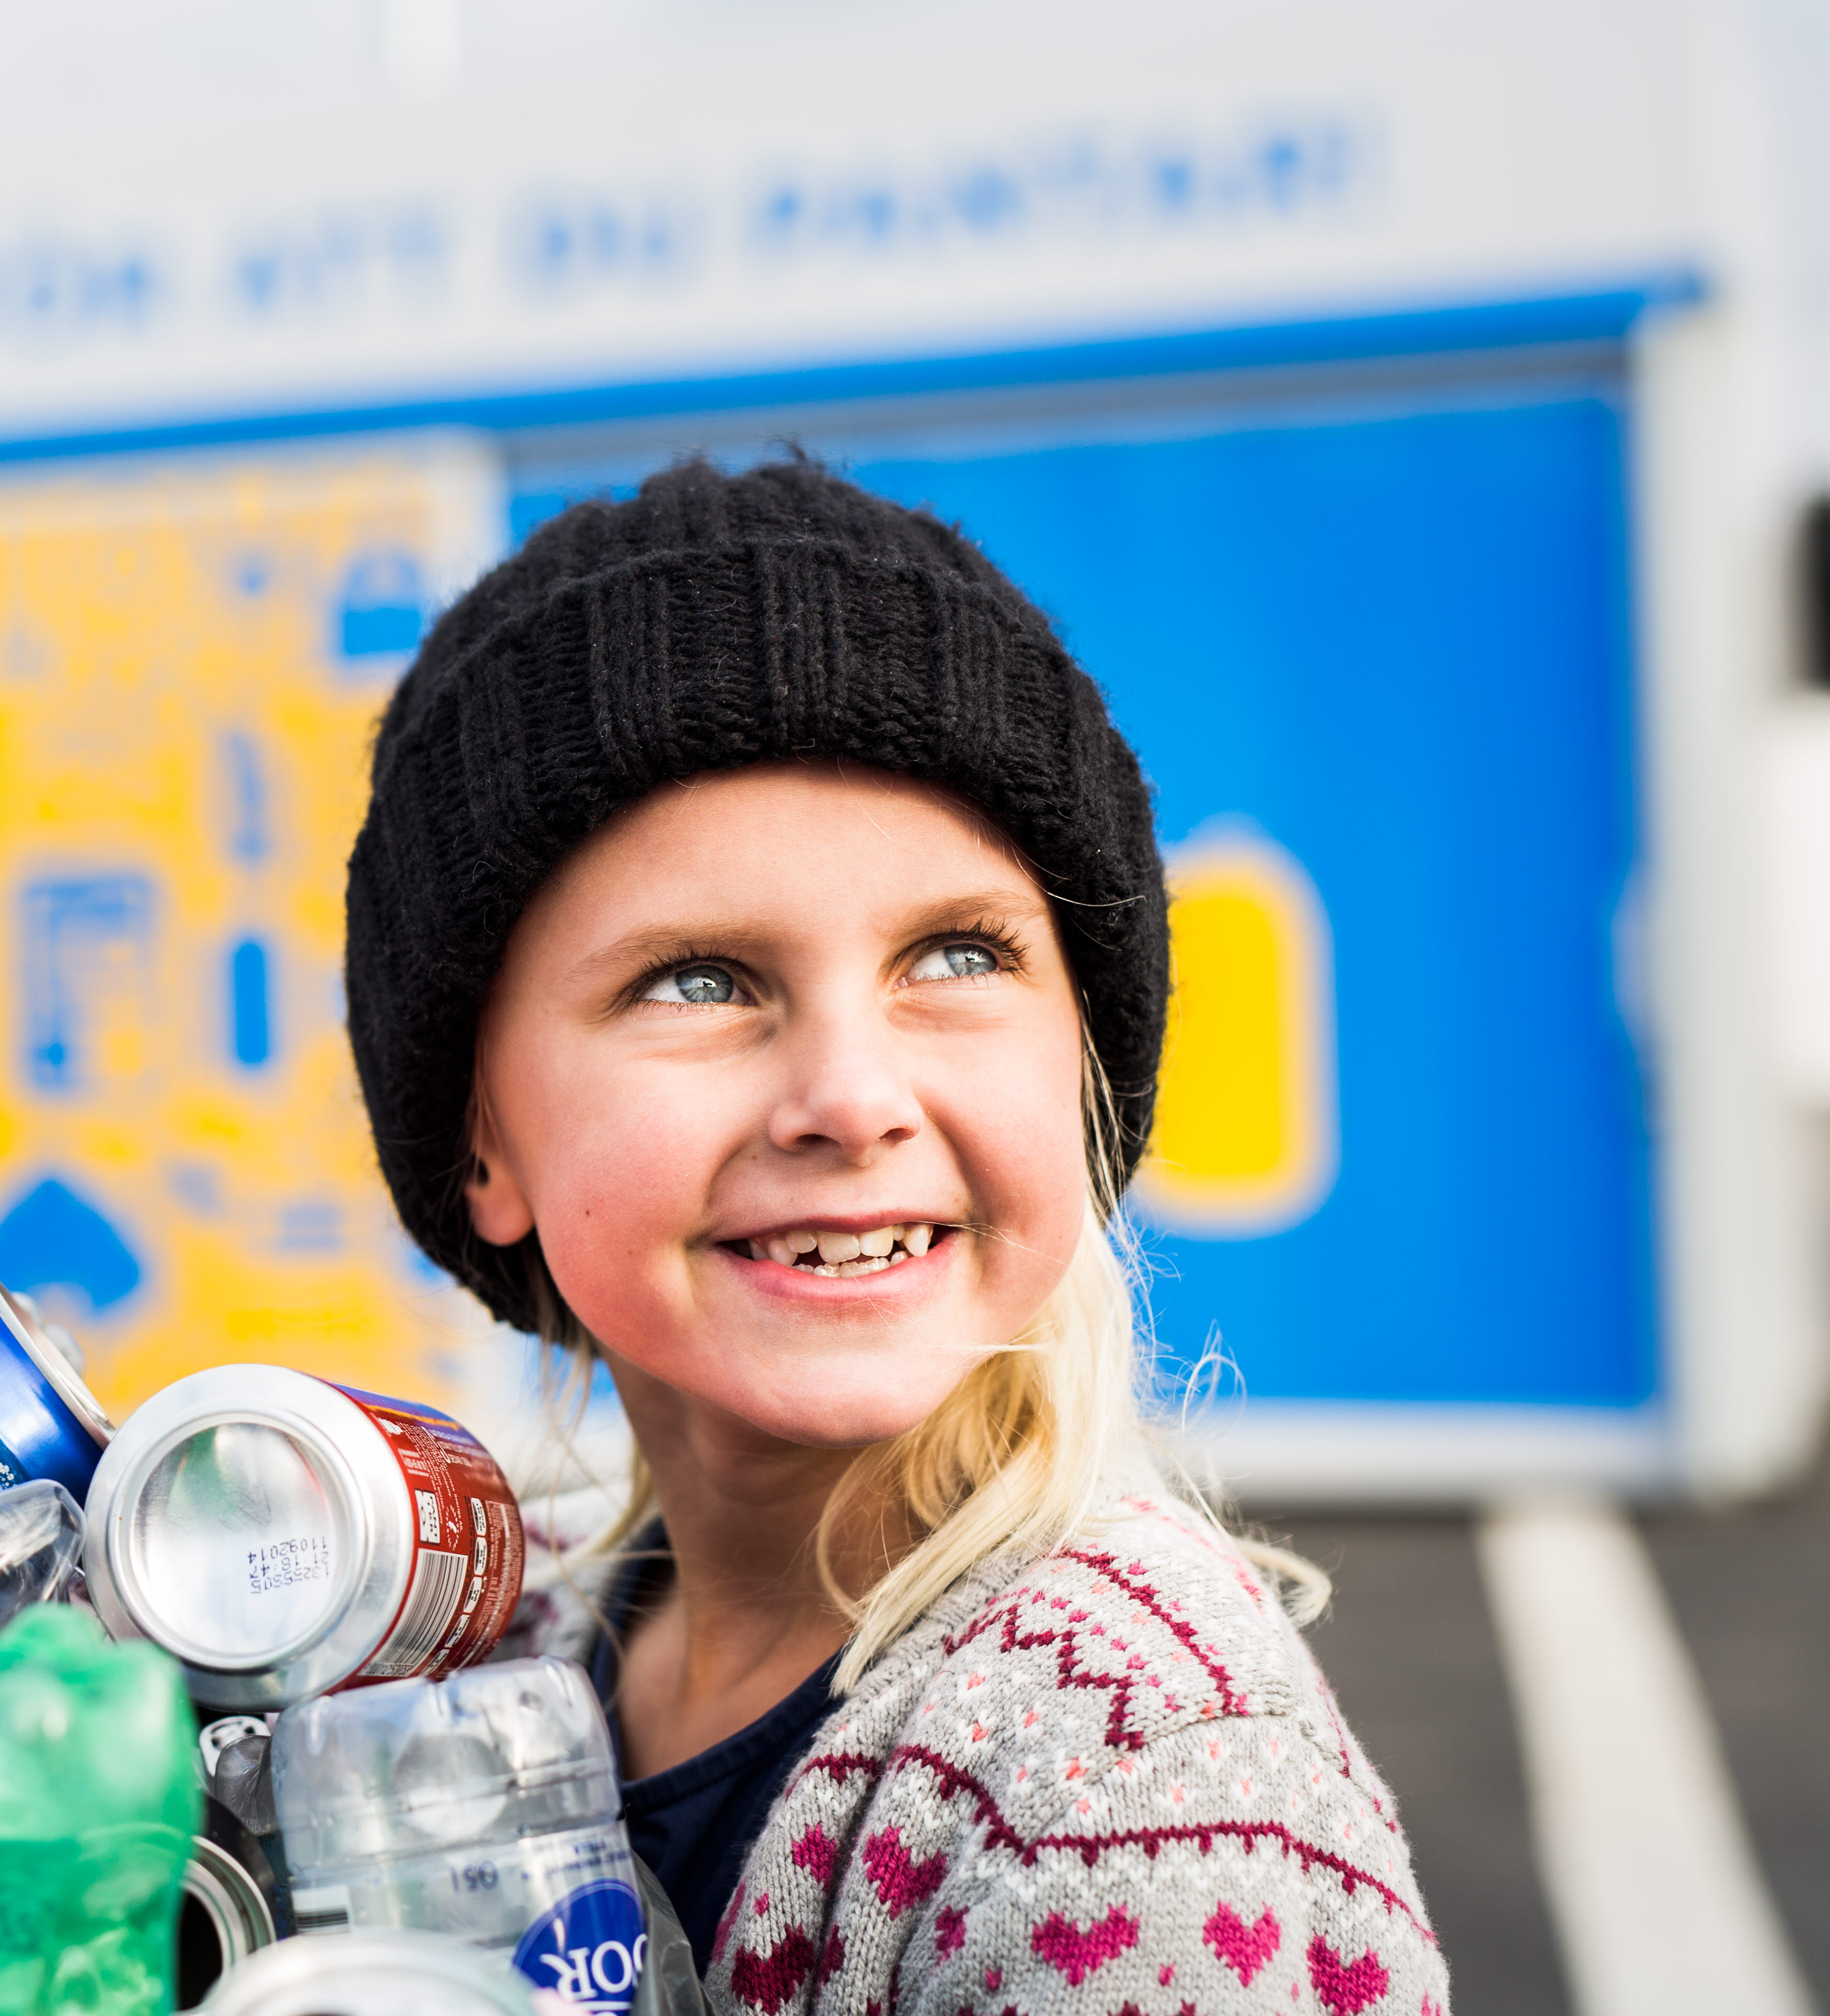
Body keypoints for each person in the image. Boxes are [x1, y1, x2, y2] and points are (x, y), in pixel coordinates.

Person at [343, 457, 1445, 2014]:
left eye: (956, 952)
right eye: (700, 980)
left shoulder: (1132, 1799)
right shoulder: (542, 1644)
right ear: (482, 1139)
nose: (851, 1100)